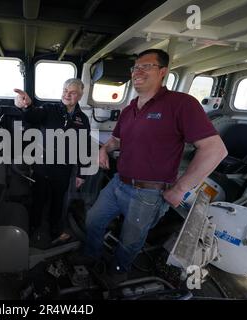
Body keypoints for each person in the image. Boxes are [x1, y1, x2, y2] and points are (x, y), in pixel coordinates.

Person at [83, 49, 228, 278]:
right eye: (135, 67)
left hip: (148, 194)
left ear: (163, 72)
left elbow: (215, 149)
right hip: (118, 184)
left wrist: (181, 188)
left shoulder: (181, 104)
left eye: (146, 66)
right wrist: (104, 148)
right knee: (92, 221)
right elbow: (117, 140)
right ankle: (91, 258)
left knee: (129, 241)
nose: (138, 71)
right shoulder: (129, 108)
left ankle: (117, 274)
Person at [13, 78, 90, 245]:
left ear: (81, 95)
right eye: (64, 90)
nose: (67, 94)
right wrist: (26, 106)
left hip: (64, 169)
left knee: (58, 201)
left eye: (72, 92)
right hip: (43, 166)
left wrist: (82, 174)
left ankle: (55, 230)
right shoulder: (49, 109)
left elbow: (84, 147)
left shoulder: (82, 119)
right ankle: (32, 228)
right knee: (38, 199)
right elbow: (32, 116)